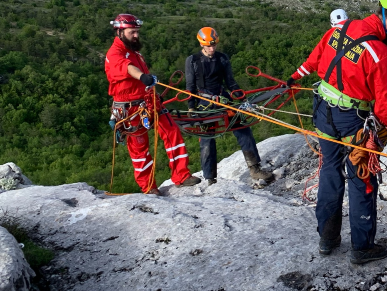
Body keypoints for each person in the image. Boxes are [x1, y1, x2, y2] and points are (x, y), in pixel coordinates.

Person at [293, 0, 387, 264]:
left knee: (330, 171)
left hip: (323, 110)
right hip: (352, 118)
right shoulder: (380, 54)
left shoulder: (342, 28)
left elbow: (317, 57)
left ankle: (328, 238)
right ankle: (362, 246)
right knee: (361, 177)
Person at [104, 13, 199, 193]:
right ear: (119, 32)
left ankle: (181, 175)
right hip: (130, 109)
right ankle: (149, 188)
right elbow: (127, 68)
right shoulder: (114, 54)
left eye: (137, 32)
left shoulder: (133, 51)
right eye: (132, 32)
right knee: (140, 149)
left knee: (171, 132)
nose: (136, 36)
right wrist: (143, 77)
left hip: (148, 102)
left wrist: (151, 91)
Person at [185, 27, 274, 187]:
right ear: (202, 44)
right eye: (209, 46)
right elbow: (190, 87)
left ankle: (254, 168)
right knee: (207, 138)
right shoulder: (193, 61)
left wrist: (243, 100)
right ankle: (210, 178)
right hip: (204, 102)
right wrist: (192, 107)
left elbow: (231, 82)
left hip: (223, 98)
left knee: (242, 128)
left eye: (214, 45)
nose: (212, 49)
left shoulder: (222, 58)